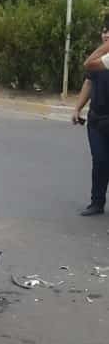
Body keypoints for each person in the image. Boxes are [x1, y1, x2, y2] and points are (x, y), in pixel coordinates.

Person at [73, 21, 109, 215]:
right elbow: (88, 83)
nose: (106, 35)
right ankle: (97, 202)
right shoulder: (98, 59)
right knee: (100, 161)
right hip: (96, 120)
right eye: (104, 31)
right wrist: (77, 108)